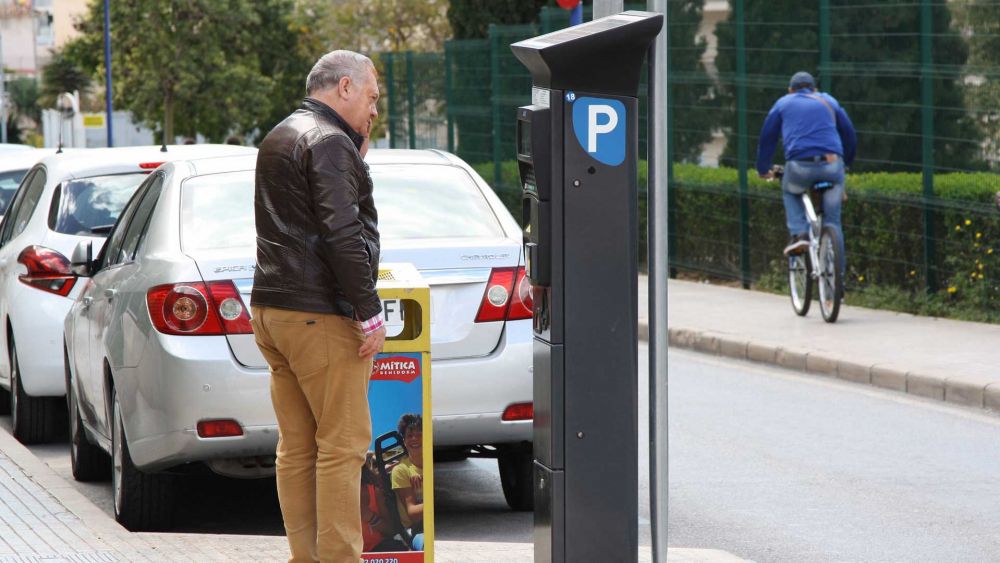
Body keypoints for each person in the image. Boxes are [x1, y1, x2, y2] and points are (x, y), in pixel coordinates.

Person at [250, 49, 385, 563]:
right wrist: (369, 310)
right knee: (343, 448)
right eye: (371, 97)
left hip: (274, 311)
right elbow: (341, 232)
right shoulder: (329, 142)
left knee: (299, 448)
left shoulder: (283, 132)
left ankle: (304, 557)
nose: (374, 111)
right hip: (320, 314)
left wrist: (355, 157)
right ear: (344, 87)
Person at [756, 71, 857, 279]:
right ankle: (839, 282)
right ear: (814, 89)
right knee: (833, 223)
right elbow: (849, 133)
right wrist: (845, 163)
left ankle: (800, 233)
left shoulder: (783, 103)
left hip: (799, 166)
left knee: (790, 190)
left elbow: (767, 138)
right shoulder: (828, 100)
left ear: (790, 90)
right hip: (832, 165)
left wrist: (762, 168)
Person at [390, 414, 424, 550]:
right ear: (404, 441)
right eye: (409, 435)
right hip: (419, 530)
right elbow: (413, 514)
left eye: (419, 434)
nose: (414, 438)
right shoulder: (401, 470)